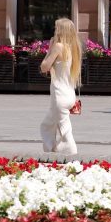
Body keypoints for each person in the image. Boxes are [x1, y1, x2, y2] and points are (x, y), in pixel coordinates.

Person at [39, 18, 82, 155]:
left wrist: (50, 49)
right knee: (47, 124)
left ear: (61, 31)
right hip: (68, 94)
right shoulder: (73, 48)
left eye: (57, 28)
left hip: (59, 95)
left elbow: (44, 67)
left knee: (65, 129)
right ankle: (50, 149)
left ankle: (71, 153)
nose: (55, 30)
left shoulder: (58, 46)